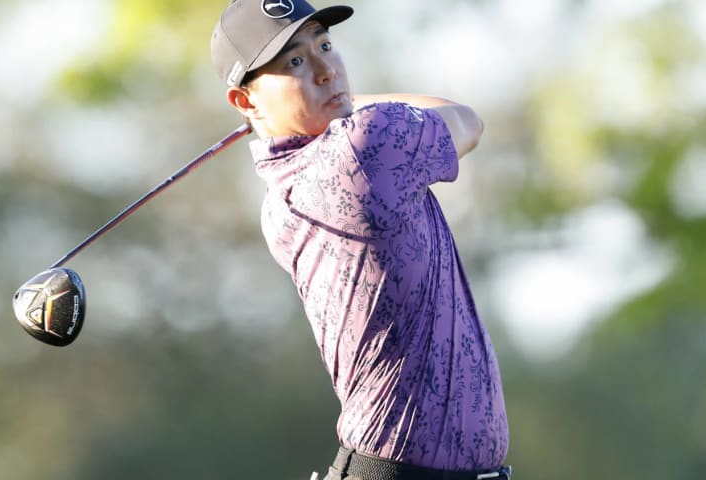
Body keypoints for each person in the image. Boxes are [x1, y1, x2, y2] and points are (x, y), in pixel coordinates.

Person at [211, 1, 511, 479]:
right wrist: (357, 99)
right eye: (295, 61)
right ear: (246, 101)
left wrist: (323, 105)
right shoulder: (367, 145)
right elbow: (467, 121)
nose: (327, 70)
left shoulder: (278, 203)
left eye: (325, 46)